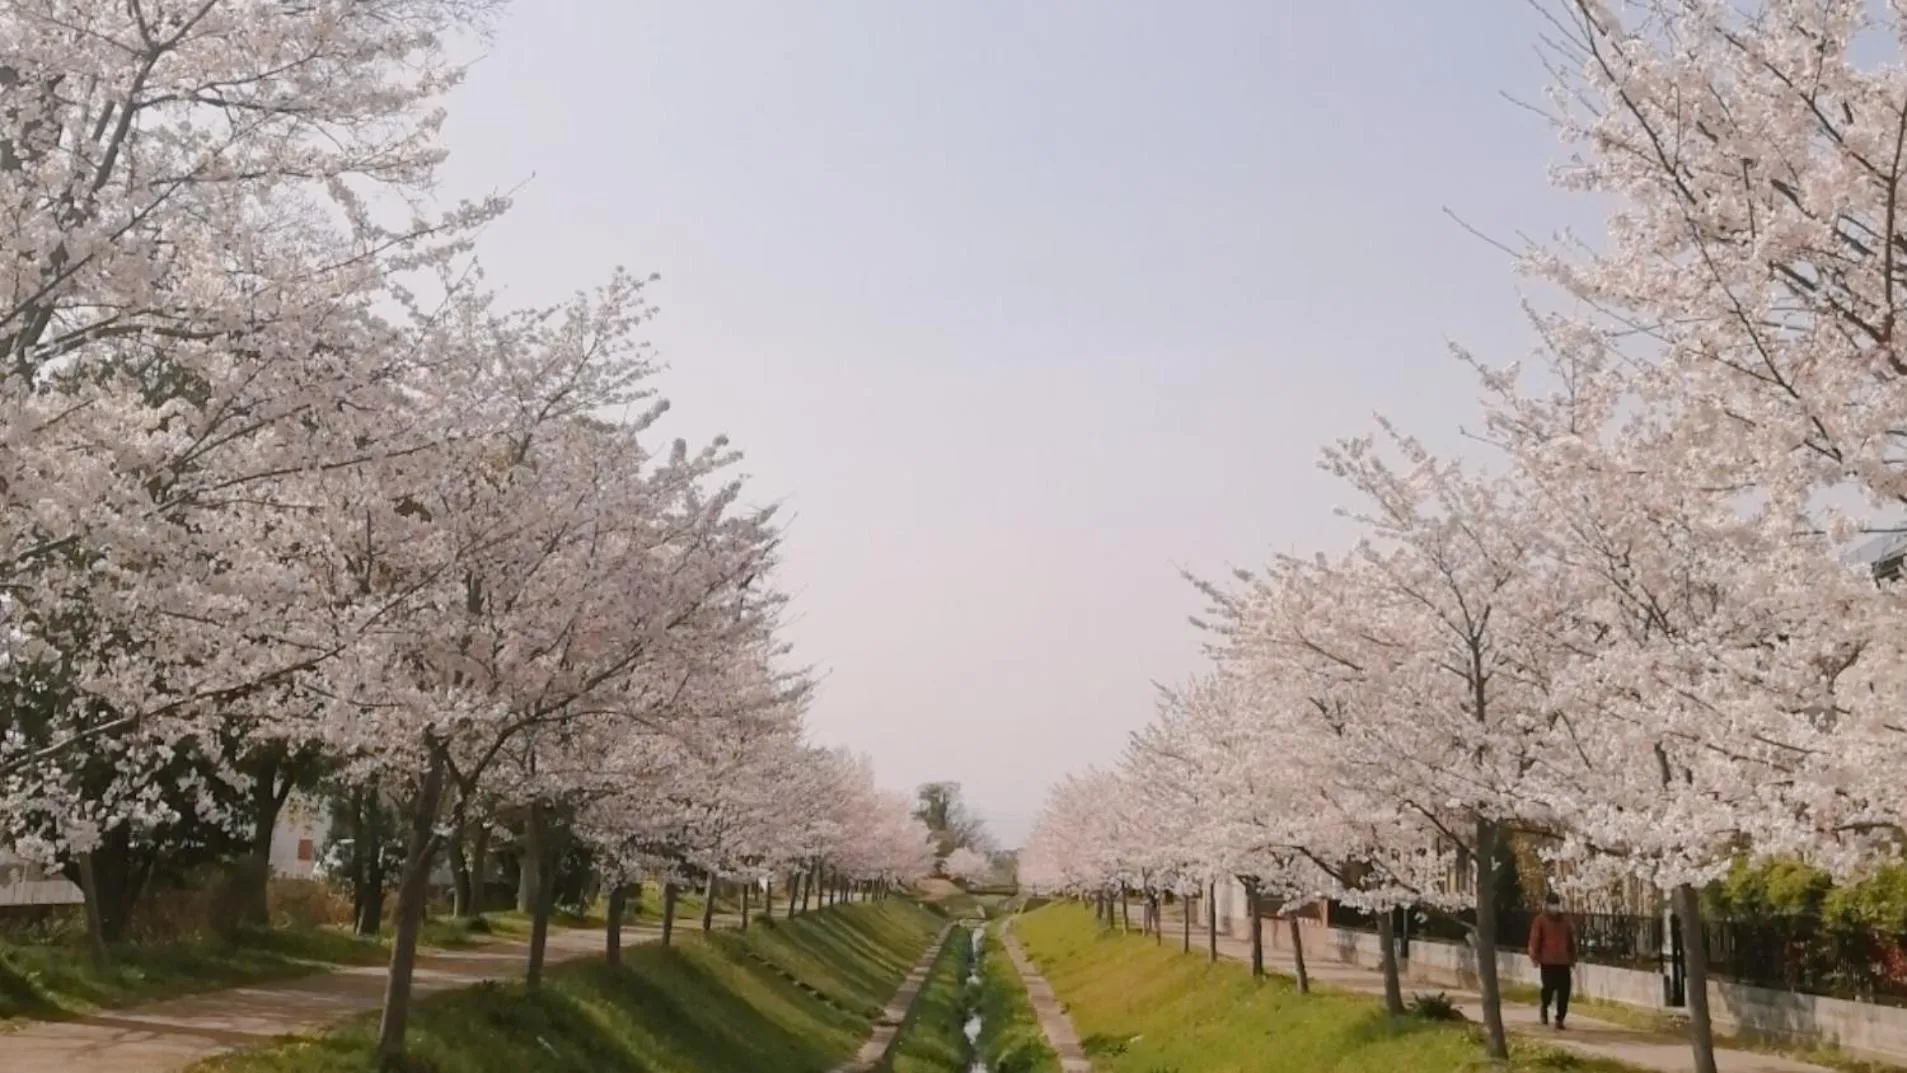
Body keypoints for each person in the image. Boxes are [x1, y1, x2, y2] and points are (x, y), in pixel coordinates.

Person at [1527, 893, 1576, 1029]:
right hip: (1547, 961)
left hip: (1563, 961)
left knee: (1564, 991)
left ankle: (1560, 1018)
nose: (1555, 907)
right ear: (1547, 905)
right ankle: (1544, 1007)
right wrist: (1534, 956)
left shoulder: (1565, 921)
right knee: (1548, 988)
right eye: (1552, 904)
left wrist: (1572, 958)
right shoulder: (1540, 921)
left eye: (1556, 904)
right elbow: (1535, 939)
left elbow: (1571, 940)